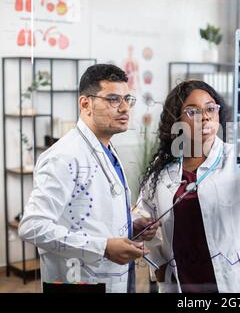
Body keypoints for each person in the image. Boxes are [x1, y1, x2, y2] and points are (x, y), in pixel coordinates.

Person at [137, 80, 240, 293]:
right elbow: (141, 217)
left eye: (210, 109)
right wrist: (158, 263)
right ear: (177, 119)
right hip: (183, 282)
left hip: (236, 282)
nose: (205, 117)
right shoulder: (162, 168)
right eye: (192, 112)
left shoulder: (236, 156)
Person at [19, 64, 160, 293]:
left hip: (113, 277)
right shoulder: (64, 156)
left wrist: (130, 226)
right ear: (85, 104)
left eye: (127, 99)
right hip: (78, 280)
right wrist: (103, 247)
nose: (124, 108)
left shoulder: (106, 148)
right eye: (113, 99)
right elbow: (33, 227)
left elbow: (94, 215)